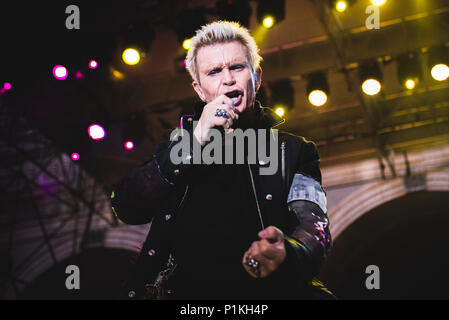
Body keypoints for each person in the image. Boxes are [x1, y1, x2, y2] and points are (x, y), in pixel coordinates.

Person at [111, 21, 334, 300]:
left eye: (237, 68)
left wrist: (288, 252)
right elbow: (126, 206)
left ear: (257, 77)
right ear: (200, 90)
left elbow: (314, 228)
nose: (227, 79)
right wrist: (193, 142)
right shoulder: (176, 147)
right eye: (214, 72)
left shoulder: (293, 152)